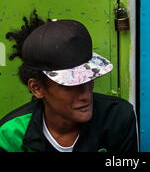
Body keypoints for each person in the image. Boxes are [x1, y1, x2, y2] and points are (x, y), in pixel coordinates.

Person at [0, 11, 138, 152]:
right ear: (37, 88)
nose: (86, 95)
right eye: (70, 85)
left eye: (89, 79)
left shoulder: (116, 118)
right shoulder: (11, 134)